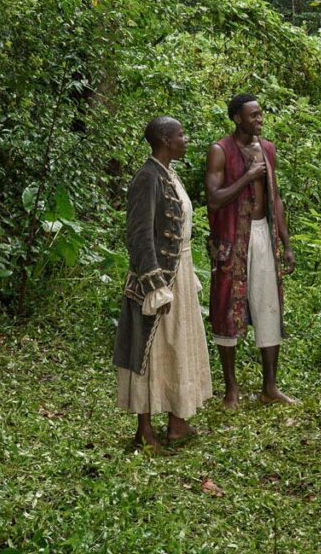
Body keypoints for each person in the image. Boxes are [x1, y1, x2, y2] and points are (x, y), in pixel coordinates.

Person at [114, 117, 212, 450]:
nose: (186, 139)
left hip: (179, 270)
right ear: (165, 140)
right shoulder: (147, 178)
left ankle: (177, 421)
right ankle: (144, 429)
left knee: (177, 346)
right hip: (158, 276)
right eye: (181, 134)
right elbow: (139, 235)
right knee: (150, 349)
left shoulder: (169, 174)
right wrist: (154, 283)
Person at [205, 94, 296, 408]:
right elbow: (214, 199)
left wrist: (286, 243)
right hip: (232, 240)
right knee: (226, 308)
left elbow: (276, 198)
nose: (260, 119)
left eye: (260, 114)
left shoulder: (267, 149)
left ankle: (269, 386)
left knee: (269, 306)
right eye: (253, 115)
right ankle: (231, 389)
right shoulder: (220, 150)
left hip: (262, 234)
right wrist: (247, 177)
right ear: (237, 118)